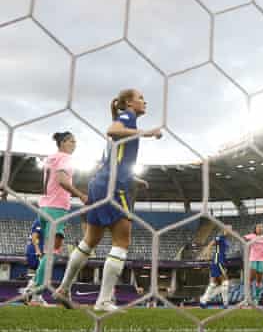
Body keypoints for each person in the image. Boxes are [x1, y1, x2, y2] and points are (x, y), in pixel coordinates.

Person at [54, 89, 162, 312]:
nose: (145, 101)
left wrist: (134, 178)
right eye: (141, 98)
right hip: (114, 186)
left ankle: (63, 289)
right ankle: (103, 301)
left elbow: (114, 157)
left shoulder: (126, 121)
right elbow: (112, 130)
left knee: (90, 241)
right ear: (129, 103)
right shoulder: (127, 118)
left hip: (100, 183)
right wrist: (147, 133)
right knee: (122, 242)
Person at [32, 132, 88, 297]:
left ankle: (34, 289)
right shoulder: (65, 158)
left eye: (75, 141)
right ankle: (35, 290)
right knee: (52, 252)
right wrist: (80, 195)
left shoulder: (51, 158)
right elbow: (62, 181)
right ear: (62, 143)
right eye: (71, 141)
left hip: (44, 208)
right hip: (56, 209)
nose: (74, 144)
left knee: (49, 252)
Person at [200, 228, 230, 308]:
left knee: (215, 283)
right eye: (227, 229)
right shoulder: (220, 237)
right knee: (225, 281)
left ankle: (203, 301)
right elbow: (212, 243)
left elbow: (224, 252)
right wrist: (206, 252)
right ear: (224, 230)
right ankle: (225, 303)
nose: (229, 230)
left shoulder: (226, 240)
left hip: (222, 261)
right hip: (218, 260)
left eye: (230, 229)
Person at [22, 218, 45, 305]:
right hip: (34, 251)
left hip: (40, 251)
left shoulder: (47, 223)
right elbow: (34, 237)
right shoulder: (39, 221)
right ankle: (35, 296)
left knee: (40, 274)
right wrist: (38, 250)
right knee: (41, 273)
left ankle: (30, 293)